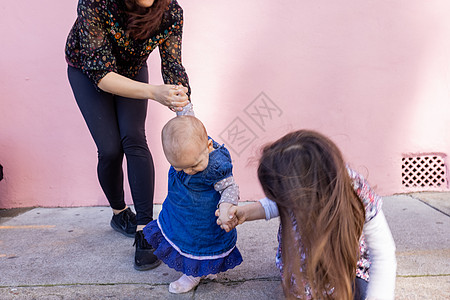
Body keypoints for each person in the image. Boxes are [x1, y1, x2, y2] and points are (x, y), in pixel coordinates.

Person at [65, 0, 191, 271]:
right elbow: (100, 73)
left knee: (134, 138)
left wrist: (188, 114)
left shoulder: (170, 12)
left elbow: (173, 65)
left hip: (132, 70)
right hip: (88, 72)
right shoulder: (95, 2)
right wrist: (154, 92)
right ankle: (120, 213)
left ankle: (145, 230)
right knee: (110, 149)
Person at [218, 130, 397, 300]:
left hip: (347, 265)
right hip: (303, 269)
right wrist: (246, 212)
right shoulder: (301, 185)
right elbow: (276, 202)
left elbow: (383, 253)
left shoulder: (356, 192)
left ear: (303, 193)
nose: (282, 204)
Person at [143, 115, 243, 293]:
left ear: (209, 147)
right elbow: (185, 115)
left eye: (194, 166)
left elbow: (229, 187)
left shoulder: (216, 166)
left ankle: (193, 274)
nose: (188, 171)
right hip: (181, 213)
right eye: (179, 168)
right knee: (180, 235)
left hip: (200, 220)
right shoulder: (190, 148)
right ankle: (205, 269)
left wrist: (226, 205)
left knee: (196, 243)